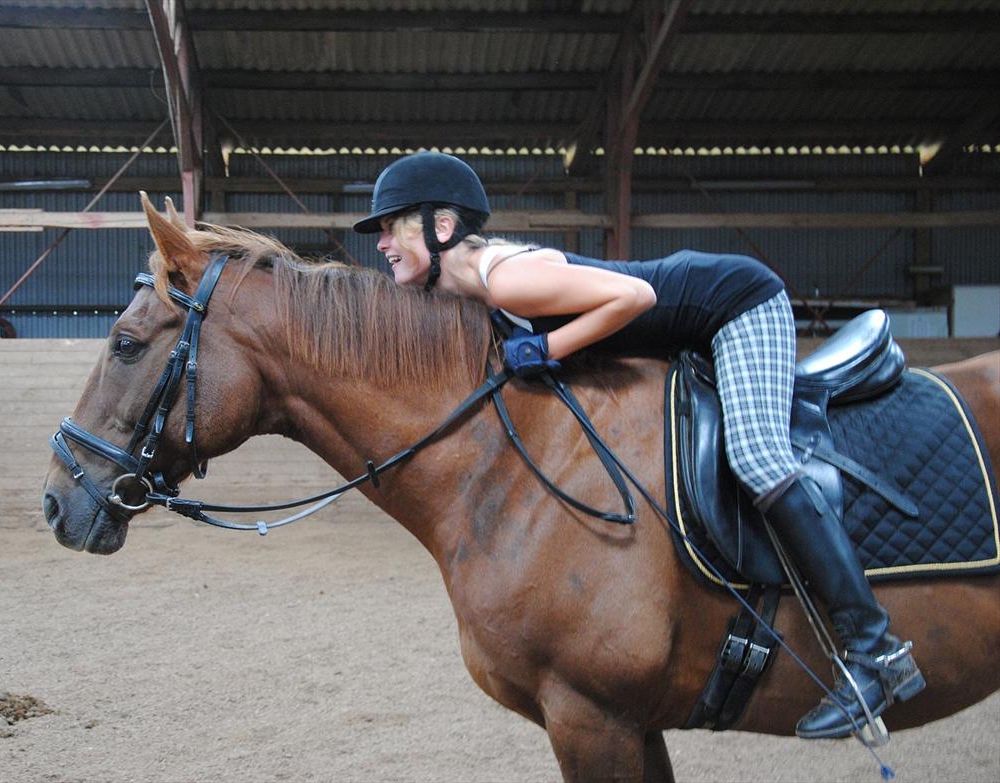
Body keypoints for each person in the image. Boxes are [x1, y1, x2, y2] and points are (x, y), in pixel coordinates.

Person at [352, 150, 925, 740]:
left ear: (441, 228)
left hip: (738, 305)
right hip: (692, 324)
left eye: (392, 226)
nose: (382, 243)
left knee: (757, 456)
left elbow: (634, 299)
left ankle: (875, 652)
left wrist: (549, 350)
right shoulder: (468, 289)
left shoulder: (505, 277)